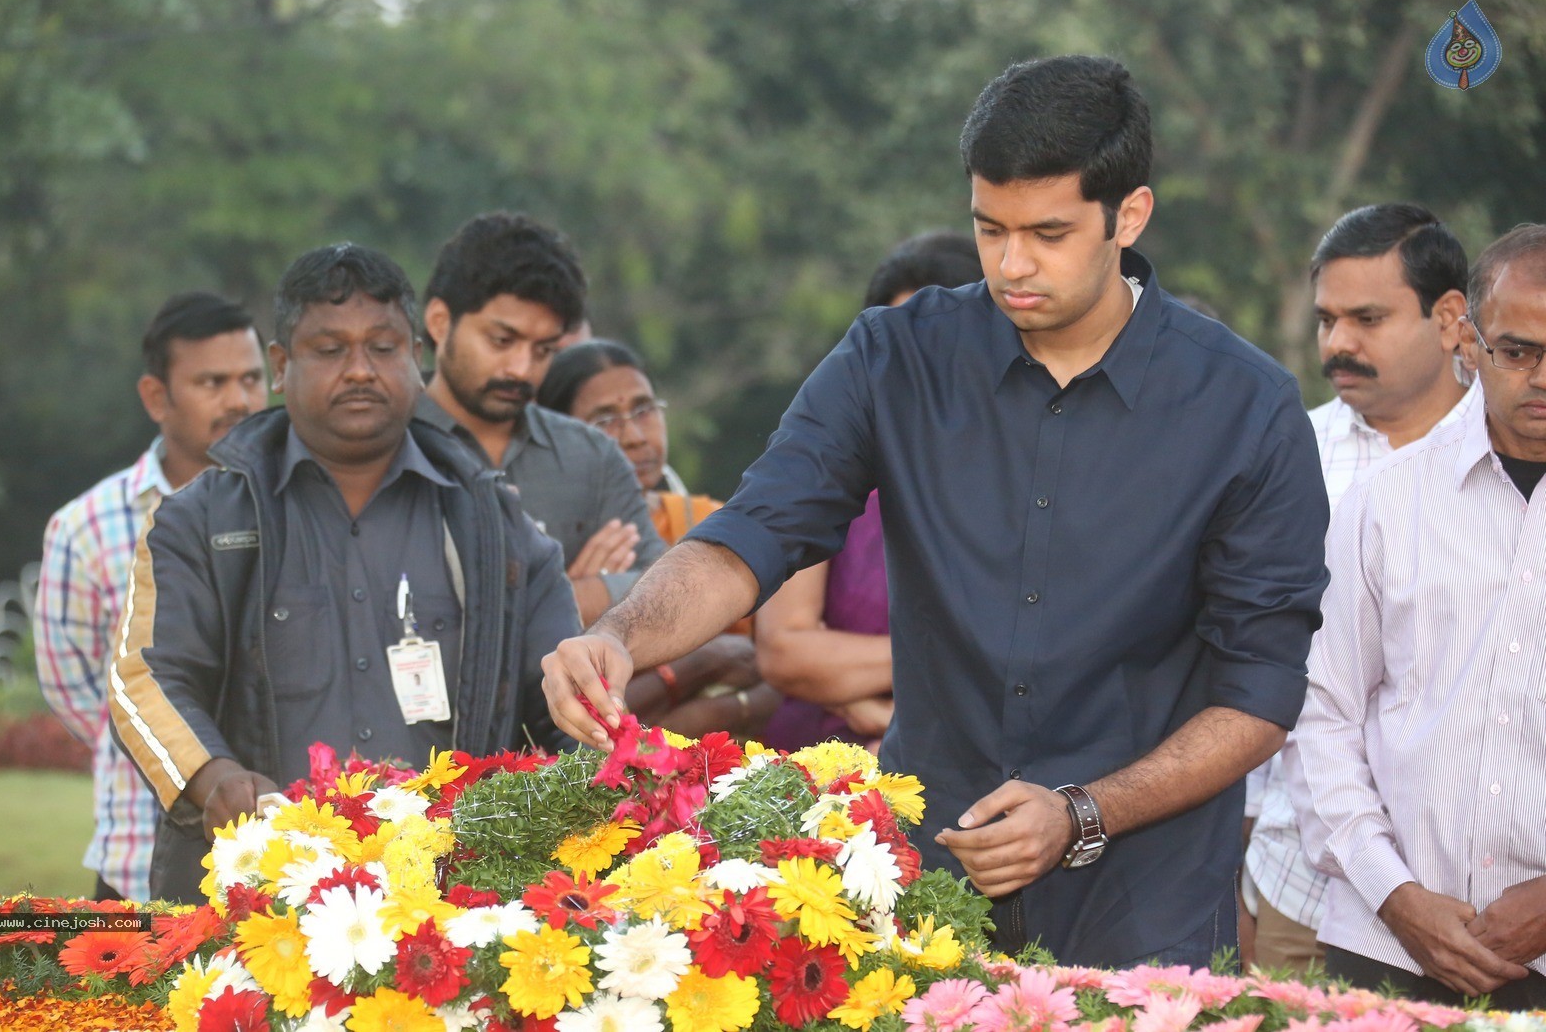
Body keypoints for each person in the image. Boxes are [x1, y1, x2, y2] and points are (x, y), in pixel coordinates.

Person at [543, 54, 1328, 968]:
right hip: (923, 885)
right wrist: (625, 638)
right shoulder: (898, 357)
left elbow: (1260, 694)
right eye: (989, 228)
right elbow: (754, 535)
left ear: (1131, 215)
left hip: (1142, 903)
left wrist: (1082, 811)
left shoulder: (1244, 406)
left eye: (1048, 232)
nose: (1012, 263)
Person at [109, 243, 579, 902]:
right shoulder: (204, 520)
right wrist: (214, 778)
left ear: (415, 355)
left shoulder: (493, 524)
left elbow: (566, 694)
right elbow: (145, 678)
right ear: (280, 366)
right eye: (330, 349)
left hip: (452, 907)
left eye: (383, 347)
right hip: (260, 900)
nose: (359, 370)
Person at [1290, 224, 1546, 1008]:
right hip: (1384, 945)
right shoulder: (1385, 502)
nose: (1541, 377)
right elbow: (1321, 714)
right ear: (1468, 336)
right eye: (1517, 349)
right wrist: (1396, 895)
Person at [1242, 204, 1474, 974]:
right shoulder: (1287, 456)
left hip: (1492, 900)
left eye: (1368, 317)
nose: (1338, 343)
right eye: (1327, 319)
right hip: (1301, 887)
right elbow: (1248, 657)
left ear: (1449, 319)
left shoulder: (1509, 455)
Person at [33, 292, 266, 902]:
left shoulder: (292, 509)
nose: (239, 400)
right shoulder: (86, 528)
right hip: (138, 860)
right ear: (156, 397)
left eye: (251, 378)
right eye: (212, 382)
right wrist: (175, 752)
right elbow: (79, 692)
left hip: (280, 865)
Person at [754, 232, 983, 752]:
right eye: (897, 347)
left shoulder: (1027, 477)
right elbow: (784, 649)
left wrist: (861, 687)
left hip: (974, 770)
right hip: (817, 768)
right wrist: (940, 664)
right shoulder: (831, 467)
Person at [415, 212, 664, 627]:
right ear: (440, 322)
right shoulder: (383, 446)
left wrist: (540, 602)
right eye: (502, 341)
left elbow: (659, 593)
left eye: (544, 350)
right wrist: (563, 596)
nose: (521, 369)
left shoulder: (591, 457)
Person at [537, 339, 777, 737]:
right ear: (560, 437)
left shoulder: (713, 522)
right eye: (604, 421)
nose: (633, 435)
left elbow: (769, 661)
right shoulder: (542, 541)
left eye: (644, 410)